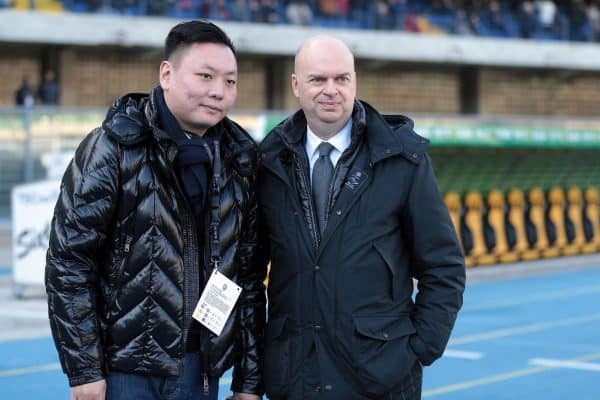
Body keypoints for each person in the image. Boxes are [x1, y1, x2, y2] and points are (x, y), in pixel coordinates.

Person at [45, 20, 265, 400]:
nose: (219, 92)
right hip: (124, 372)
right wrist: (84, 371)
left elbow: (245, 278)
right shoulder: (112, 148)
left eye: (230, 81)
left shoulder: (239, 160)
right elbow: (69, 263)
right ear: (167, 73)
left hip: (201, 371)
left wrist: (248, 382)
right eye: (205, 76)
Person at [256, 35, 465, 400]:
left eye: (342, 79)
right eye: (318, 80)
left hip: (380, 378)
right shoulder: (269, 162)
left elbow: (443, 267)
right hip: (294, 379)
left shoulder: (401, 160)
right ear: (296, 86)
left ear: (355, 81)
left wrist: (418, 350)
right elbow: (248, 273)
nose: (331, 90)